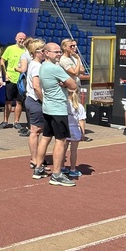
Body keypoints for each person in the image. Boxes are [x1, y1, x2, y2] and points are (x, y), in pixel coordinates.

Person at [34, 42, 78, 187]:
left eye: (59, 52)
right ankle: (57, 174)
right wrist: (65, 84)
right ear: (46, 53)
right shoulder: (54, 68)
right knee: (61, 141)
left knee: (46, 137)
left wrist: (63, 83)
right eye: (56, 52)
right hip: (58, 109)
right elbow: (73, 85)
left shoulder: (43, 67)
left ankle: (38, 168)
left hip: (48, 107)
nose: (59, 54)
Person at [59, 38, 90, 141]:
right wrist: (78, 62)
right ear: (64, 47)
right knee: (71, 108)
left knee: (78, 108)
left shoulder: (73, 58)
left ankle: (81, 132)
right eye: (71, 46)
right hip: (69, 88)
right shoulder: (64, 60)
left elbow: (82, 70)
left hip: (76, 85)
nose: (74, 48)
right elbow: (75, 72)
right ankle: (69, 131)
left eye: (74, 46)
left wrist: (78, 62)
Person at [25, 38, 47, 174]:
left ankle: (37, 158)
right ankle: (35, 159)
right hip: (35, 101)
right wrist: (44, 101)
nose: (45, 52)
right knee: (36, 131)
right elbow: (36, 87)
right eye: (43, 50)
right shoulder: (37, 66)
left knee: (36, 130)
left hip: (32, 100)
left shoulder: (34, 64)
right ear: (36, 52)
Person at [0, 32, 26, 129]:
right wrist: (5, 73)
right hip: (11, 79)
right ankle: (5, 121)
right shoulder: (10, 49)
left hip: (22, 80)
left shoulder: (26, 50)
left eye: (23, 39)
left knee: (19, 101)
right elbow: (2, 60)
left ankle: (16, 122)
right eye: (20, 38)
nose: (22, 40)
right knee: (8, 101)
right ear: (16, 38)